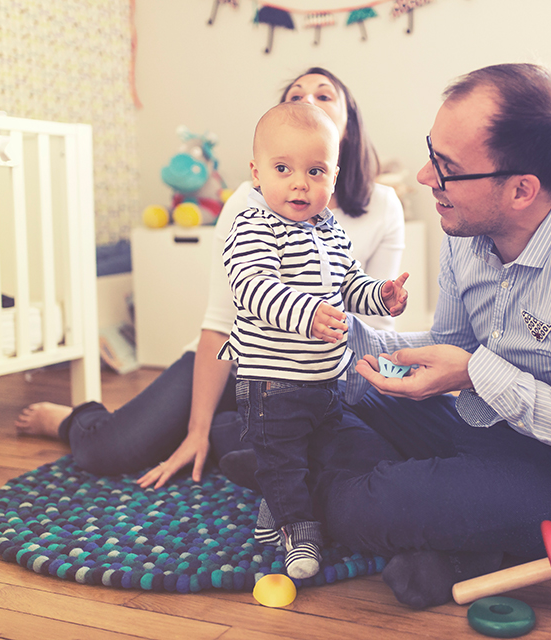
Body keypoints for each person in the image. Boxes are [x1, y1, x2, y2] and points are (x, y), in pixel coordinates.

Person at [298, 63, 551, 608]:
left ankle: (312, 488)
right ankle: (463, 536)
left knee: (371, 504)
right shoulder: (468, 227)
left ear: (522, 189)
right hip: (485, 424)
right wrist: (337, 339)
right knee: (333, 391)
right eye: (433, 152)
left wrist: (478, 372)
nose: (426, 178)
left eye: (446, 167)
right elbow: (449, 345)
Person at [14, 68, 406, 489]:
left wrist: (383, 301)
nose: (307, 101)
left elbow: (376, 324)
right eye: (295, 95)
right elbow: (222, 322)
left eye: (324, 96)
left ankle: (236, 429)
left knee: (351, 454)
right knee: (108, 452)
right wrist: (196, 431)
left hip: (319, 371)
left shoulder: (382, 205)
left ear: (346, 128)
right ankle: (74, 419)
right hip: (237, 360)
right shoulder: (248, 205)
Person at [219, 102, 408, 579]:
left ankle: (272, 500)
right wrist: (307, 315)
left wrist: (381, 297)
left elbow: (349, 286)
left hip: (326, 379)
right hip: (273, 382)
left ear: (334, 175)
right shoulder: (253, 224)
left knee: (319, 453)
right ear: (257, 173)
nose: (300, 183)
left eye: (315, 171)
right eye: (283, 169)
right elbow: (253, 287)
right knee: (284, 461)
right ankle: (299, 532)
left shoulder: (331, 231)